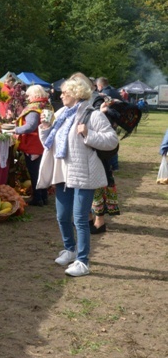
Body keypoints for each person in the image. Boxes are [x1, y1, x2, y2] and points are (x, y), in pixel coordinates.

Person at [37, 73, 119, 277]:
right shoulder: (61, 114)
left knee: (80, 219)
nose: (60, 95)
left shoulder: (93, 115)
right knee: (62, 216)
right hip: (63, 173)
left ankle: (83, 261)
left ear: (75, 93)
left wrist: (88, 134)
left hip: (83, 173)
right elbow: (51, 143)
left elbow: (112, 140)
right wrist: (45, 129)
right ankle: (70, 249)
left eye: (64, 92)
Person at [89, 97, 143, 234]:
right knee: (95, 185)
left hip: (101, 153)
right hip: (98, 152)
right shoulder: (101, 104)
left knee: (99, 185)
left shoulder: (100, 105)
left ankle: (98, 222)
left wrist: (104, 110)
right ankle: (91, 219)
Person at [13, 85, 54, 206]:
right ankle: (44, 196)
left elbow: (30, 126)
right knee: (42, 171)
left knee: (34, 172)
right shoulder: (47, 105)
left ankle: (37, 198)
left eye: (29, 95)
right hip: (44, 143)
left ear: (35, 95)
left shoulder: (33, 108)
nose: (28, 98)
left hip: (33, 144)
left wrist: (16, 130)